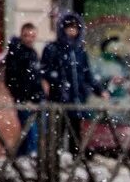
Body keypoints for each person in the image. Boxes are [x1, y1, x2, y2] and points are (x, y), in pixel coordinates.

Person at [41, 12, 105, 155]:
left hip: (76, 100)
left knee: (75, 133)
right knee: (57, 131)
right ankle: (54, 161)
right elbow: (45, 70)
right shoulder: (53, 48)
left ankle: (75, 161)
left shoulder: (79, 51)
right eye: (68, 28)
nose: (72, 31)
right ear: (62, 29)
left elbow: (87, 74)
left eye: (75, 28)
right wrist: (58, 81)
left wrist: (99, 90)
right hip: (59, 99)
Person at [0, 21, 43, 159]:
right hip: (23, 99)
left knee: (29, 131)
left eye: (32, 36)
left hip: (33, 98)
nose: (29, 39)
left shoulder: (31, 53)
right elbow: (12, 79)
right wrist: (22, 96)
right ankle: (29, 157)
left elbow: (35, 78)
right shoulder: (17, 53)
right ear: (22, 35)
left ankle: (20, 157)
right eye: (26, 35)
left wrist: (38, 95)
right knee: (31, 131)